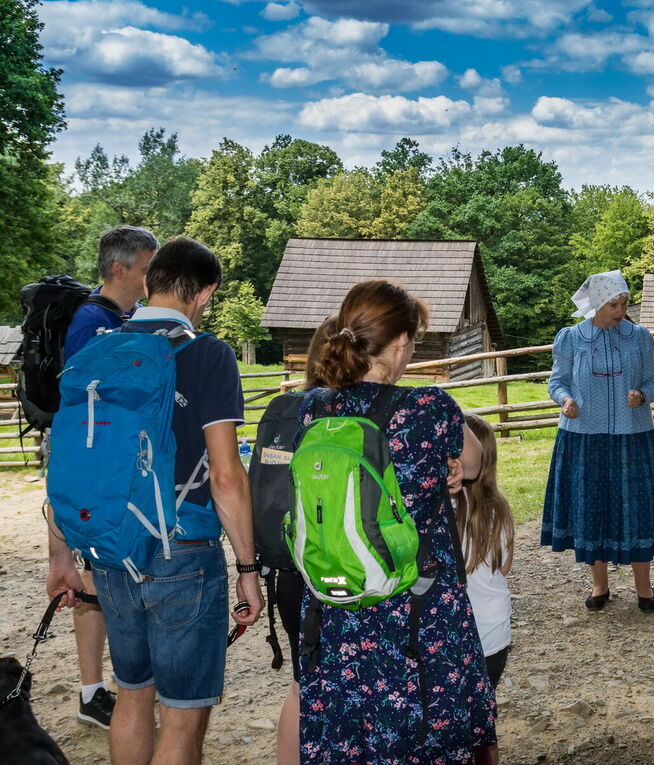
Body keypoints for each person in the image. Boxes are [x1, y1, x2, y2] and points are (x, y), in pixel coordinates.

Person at [50, 236, 264, 765]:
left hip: (110, 550)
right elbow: (226, 475)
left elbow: (67, 455)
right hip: (182, 550)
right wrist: (247, 565)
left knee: (132, 694)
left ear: (148, 282)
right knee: (184, 713)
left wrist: (63, 552)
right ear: (207, 292)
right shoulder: (208, 354)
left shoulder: (99, 350)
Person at [297, 279, 496, 763]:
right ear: (403, 342)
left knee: (349, 738)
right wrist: (446, 466)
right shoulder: (428, 407)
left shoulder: (312, 408)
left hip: (338, 604)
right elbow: (471, 464)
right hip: (417, 609)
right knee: (428, 734)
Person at [46, 224, 159, 730]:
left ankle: (108, 688)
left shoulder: (125, 317)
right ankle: (94, 691)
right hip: (93, 469)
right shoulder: (92, 321)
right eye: (146, 269)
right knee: (91, 581)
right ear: (120, 269)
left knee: (102, 579)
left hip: (113, 468)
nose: (151, 279)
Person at [542, 269, 654, 612]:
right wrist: (565, 400)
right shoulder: (570, 338)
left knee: (636, 512)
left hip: (633, 437)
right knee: (591, 509)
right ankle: (600, 586)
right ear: (597, 304)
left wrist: (642, 395)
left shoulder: (640, 337)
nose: (621, 309)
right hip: (583, 439)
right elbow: (557, 382)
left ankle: (645, 588)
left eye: (624, 302)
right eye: (614, 304)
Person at [274, 317, 335, 765]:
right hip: (347, 572)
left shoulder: (288, 407)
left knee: (302, 681)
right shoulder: (356, 413)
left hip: (291, 569)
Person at [454, 413, 514, 765]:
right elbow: (504, 566)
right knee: (482, 720)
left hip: (451, 639)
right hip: (493, 637)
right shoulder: (497, 509)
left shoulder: (434, 508)